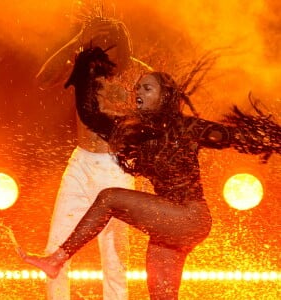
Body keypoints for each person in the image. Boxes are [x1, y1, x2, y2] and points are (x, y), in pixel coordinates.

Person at [18, 47, 281, 299]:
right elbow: (91, 116)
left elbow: (233, 136)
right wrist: (85, 69)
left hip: (189, 217)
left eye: (146, 88)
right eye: (137, 88)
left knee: (110, 198)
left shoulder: (185, 127)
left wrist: (271, 137)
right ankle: (57, 259)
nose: (137, 92)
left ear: (165, 96)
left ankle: (57, 259)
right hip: (167, 226)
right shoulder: (133, 130)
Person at [36, 16, 150, 300]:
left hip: (117, 169)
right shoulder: (83, 66)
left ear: (124, 44)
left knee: (114, 254)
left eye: (110, 41)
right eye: (97, 42)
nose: (102, 48)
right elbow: (43, 80)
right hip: (80, 162)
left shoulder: (140, 74)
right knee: (57, 246)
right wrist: (76, 42)